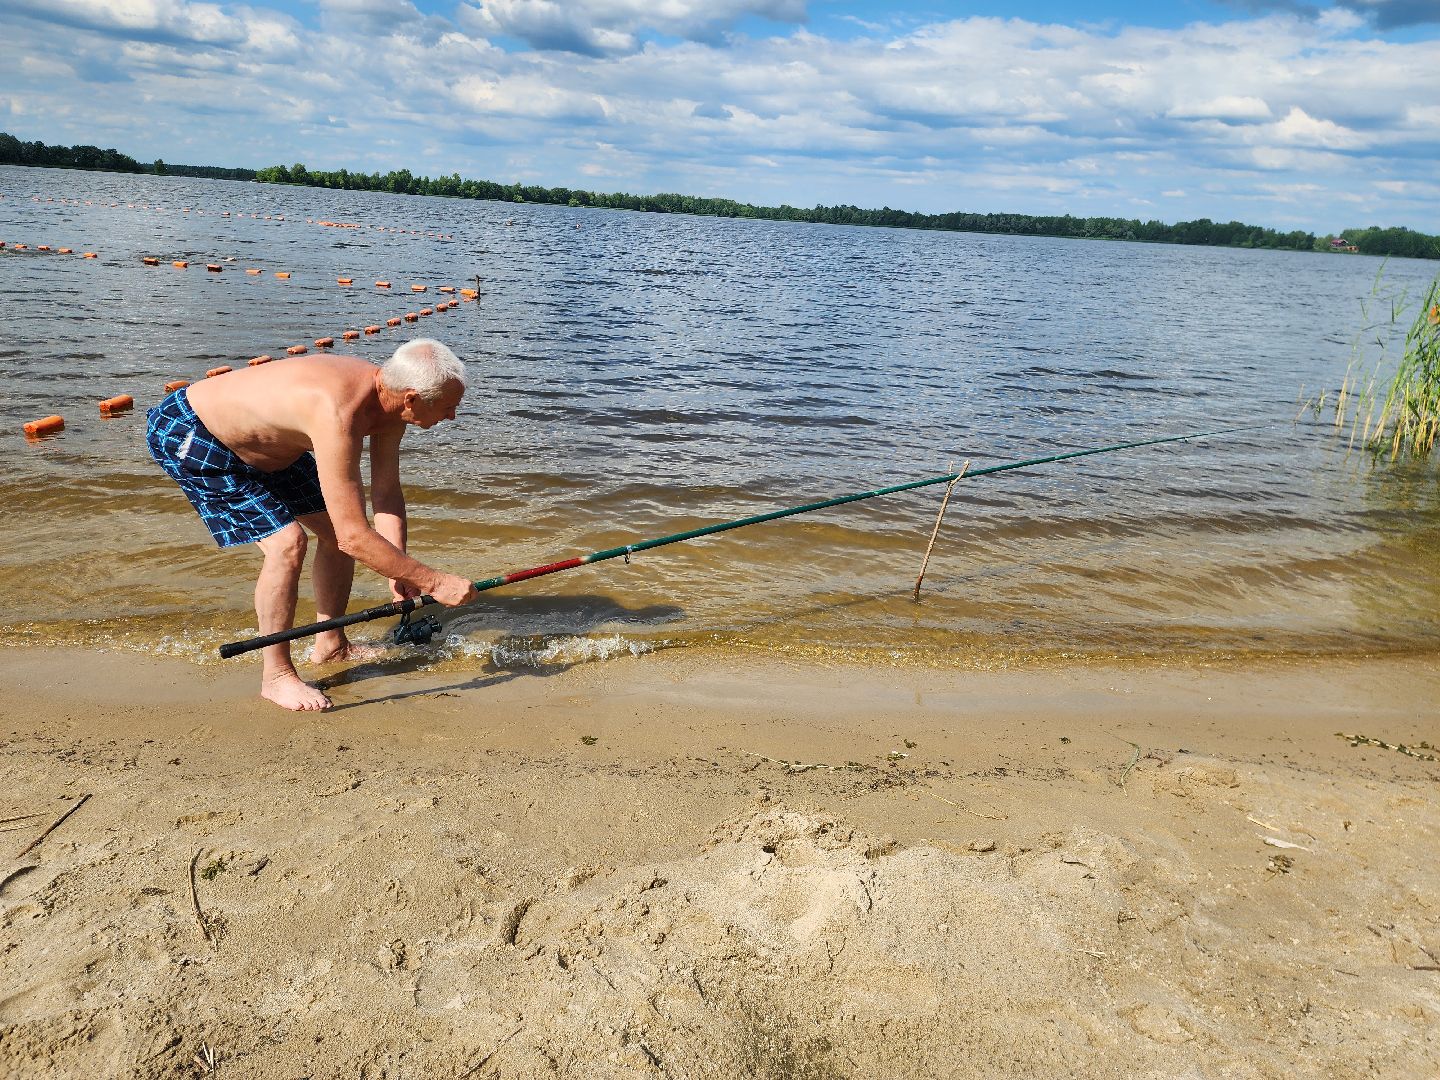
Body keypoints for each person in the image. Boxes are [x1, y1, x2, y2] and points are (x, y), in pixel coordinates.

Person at [146, 339, 478, 711]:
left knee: (334, 533)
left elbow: (386, 494)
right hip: (193, 433)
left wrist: (400, 570)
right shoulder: (338, 411)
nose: (452, 416)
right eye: (449, 406)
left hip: (272, 449)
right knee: (288, 544)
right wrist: (434, 582)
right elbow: (357, 538)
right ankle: (276, 677)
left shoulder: (391, 406)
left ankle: (331, 645)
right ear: (413, 397)